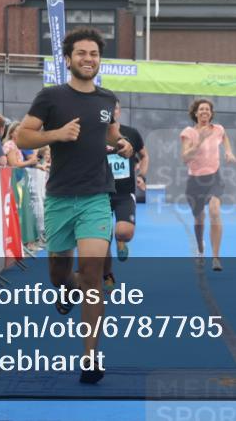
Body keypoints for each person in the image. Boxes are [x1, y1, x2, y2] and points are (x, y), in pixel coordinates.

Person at [15, 27, 133, 385]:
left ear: (100, 59)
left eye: (94, 54)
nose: (88, 59)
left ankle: (91, 356)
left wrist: (123, 143)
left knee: (93, 275)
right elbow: (21, 136)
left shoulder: (106, 99)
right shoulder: (50, 97)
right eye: (81, 53)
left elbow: (110, 134)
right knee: (58, 273)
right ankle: (65, 287)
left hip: (97, 196)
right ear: (68, 60)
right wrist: (56, 135)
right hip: (60, 197)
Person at [180, 98, 236, 271]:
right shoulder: (188, 132)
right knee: (199, 219)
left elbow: (224, 138)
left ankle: (216, 258)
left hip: (214, 178)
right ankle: (200, 247)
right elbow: (185, 158)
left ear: (211, 113)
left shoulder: (218, 129)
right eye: (201, 109)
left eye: (207, 109)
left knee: (214, 211)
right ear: (195, 113)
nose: (204, 112)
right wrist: (199, 141)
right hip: (195, 181)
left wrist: (228, 151)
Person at [103, 99, 148, 291]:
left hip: (124, 193)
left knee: (123, 231)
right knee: (101, 239)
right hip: (100, 194)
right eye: (108, 110)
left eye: (115, 109)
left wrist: (142, 176)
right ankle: (108, 275)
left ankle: (120, 240)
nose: (113, 112)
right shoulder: (94, 134)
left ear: (119, 112)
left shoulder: (131, 133)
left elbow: (144, 155)